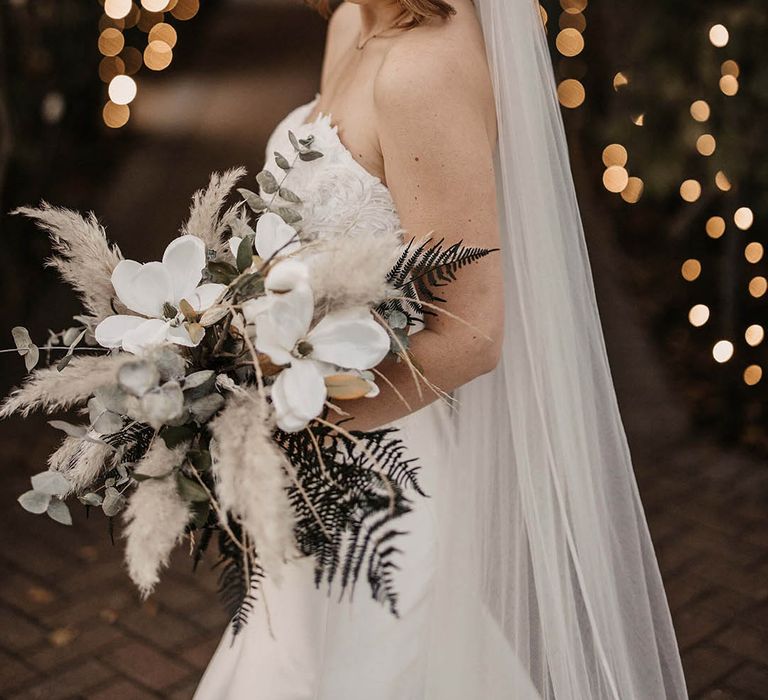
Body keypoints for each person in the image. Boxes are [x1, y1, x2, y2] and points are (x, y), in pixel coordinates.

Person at [195, 1, 689, 697]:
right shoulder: (350, 21)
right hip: (309, 451)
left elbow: (473, 334)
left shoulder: (424, 70)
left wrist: (291, 428)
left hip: (379, 477)